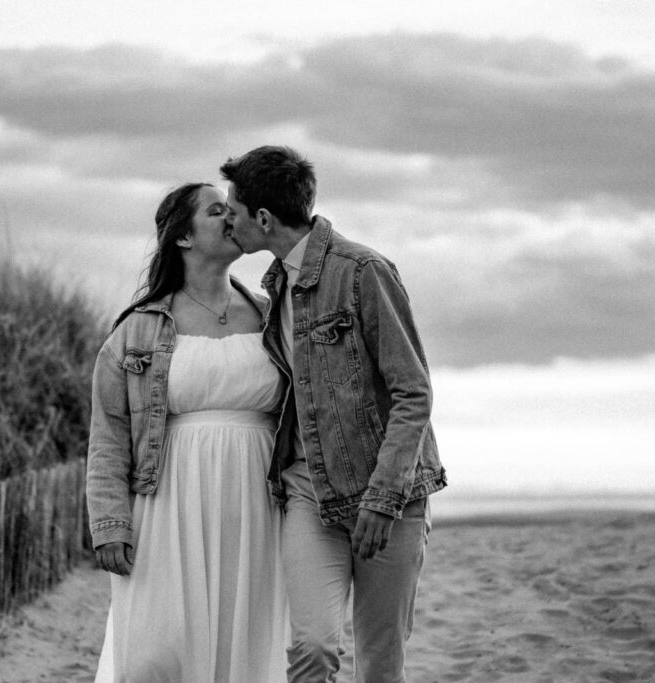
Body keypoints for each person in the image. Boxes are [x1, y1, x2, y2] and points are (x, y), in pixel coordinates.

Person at [220, 146, 448, 683]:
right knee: (312, 647)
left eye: (232, 209)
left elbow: (413, 391)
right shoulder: (273, 289)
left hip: (388, 500)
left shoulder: (364, 272)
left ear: (264, 219)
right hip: (308, 494)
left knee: (379, 663)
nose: (228, 220)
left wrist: (383, 497)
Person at [86, 182, 289, 682]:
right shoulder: (137, 330)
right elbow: (108, 436)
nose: (231, 218)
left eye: (232, 209)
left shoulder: (274, 316)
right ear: (182, 237)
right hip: (168, 504)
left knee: (245, 647)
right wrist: (110, 523)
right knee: (154, 653)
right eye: (216, 210)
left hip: (257, 504)